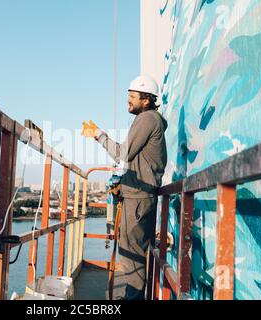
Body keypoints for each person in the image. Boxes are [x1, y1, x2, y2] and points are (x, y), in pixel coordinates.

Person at [81, 75, 168, 300]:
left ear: (147, 100)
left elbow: (123, 154)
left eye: (132, 97)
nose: (128, 101)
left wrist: (98, 134)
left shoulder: (147, 119)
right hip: (138, 194)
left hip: (138, 197)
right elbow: (136, 160)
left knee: (132, 253)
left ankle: (133, 299)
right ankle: (132, 297)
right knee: (132, 250)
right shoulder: (149, 119)